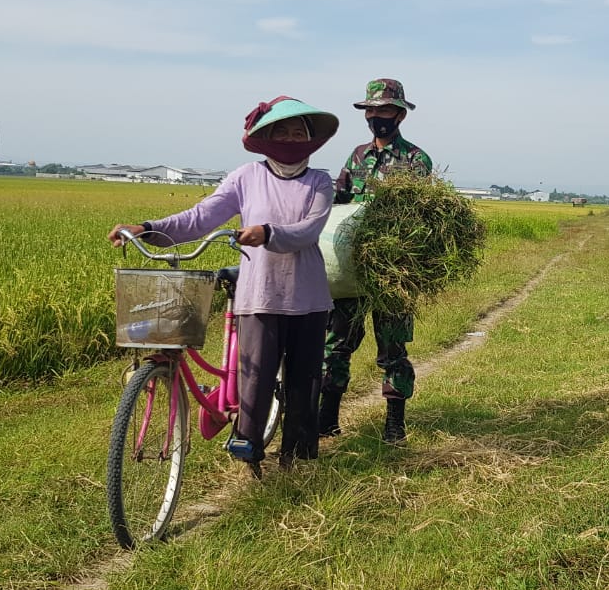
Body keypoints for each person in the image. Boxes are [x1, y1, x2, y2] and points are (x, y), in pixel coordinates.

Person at [109, 96, 338, 475]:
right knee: (255, 378)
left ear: (311, 140)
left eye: (299, 132)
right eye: (282, 131)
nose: (291, 138)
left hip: (307, 297)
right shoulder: (246, 177)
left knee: (304, 384)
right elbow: (201, 217)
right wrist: (148, 229)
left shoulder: (319, 181)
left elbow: (306, 231)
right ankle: (249, 449)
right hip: (259, 296)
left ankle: (298, 465)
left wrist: (266, 232)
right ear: (265, 136)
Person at [319, 78, 432, 445]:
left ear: (399, 114)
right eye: (371, 111)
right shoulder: (356, 157)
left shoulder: (415, 160)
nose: (376, 117)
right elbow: (339, 202)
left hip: (391, 271)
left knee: (393, 350)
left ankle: (394, 424)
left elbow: (419, 216)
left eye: (384, 110)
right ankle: (328, 418)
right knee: (336, 345)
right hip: (348, 268)